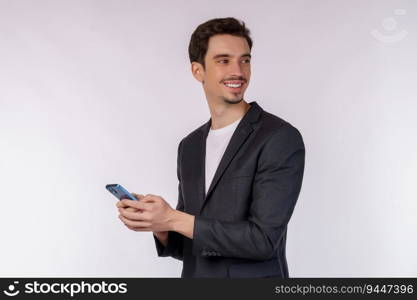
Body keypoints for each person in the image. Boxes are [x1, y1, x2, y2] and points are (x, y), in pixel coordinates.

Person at [116, 17, 305, 278]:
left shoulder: (279, 138)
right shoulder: (189, 147)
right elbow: (193, 244)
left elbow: (262, 241)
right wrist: (159, 225)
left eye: (245, 60)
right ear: (198, 71)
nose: (238, 71)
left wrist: (172, 218)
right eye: (223, 60)